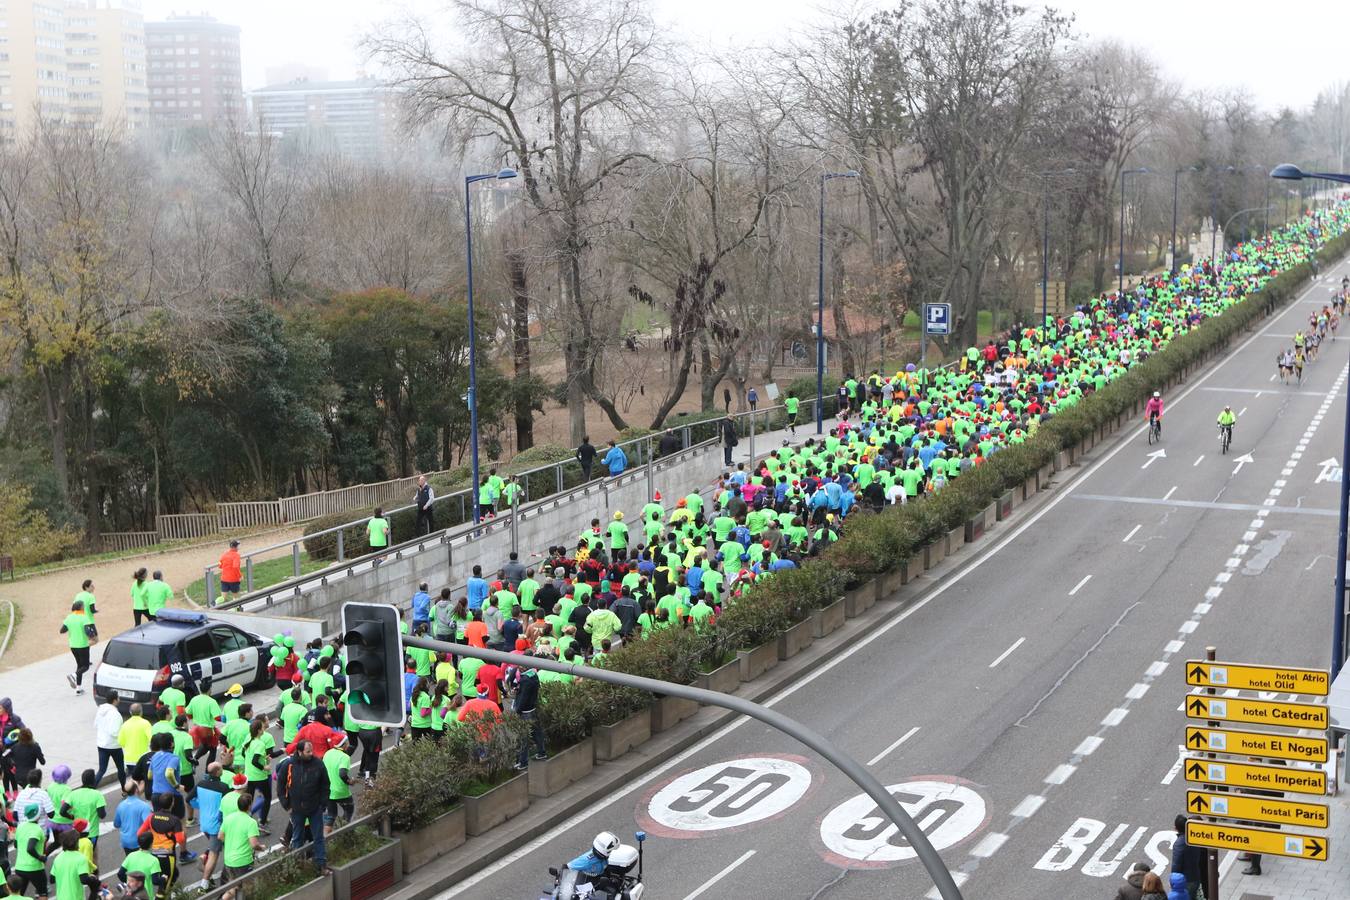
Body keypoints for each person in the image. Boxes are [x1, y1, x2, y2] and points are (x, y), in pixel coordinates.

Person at [283, 740, 330, 876]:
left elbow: (325, 785)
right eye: (308, 751)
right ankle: (297, 867)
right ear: (300, 752)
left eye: (311, 751)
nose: (311, 754)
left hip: (315, 808)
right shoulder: (289, 764)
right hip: (296, 809)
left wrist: (323, 804)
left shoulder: (318, 764)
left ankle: (321, 866)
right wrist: (287, 805)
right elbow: (281, 785)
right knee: (297, 838)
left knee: (318, 837)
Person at [512, 660, 547, 771]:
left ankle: (523, 762)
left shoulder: (525, 680)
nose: (519, 668)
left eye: (520, 666)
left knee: (524, 737)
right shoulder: (533, 676)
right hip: (533, 709)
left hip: (525, 712)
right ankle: (542, 752)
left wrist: (518, 709)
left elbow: (523, 698)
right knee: (537, 733)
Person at [60, 599, 93, 694]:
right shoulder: (84, 617)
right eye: (83, 606)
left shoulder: (69, 617)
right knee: (85, 666)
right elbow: (88, 632)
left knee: (80, 666)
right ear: (81, 607)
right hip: (82, 645)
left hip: (73, 646)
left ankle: (78, 689)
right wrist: (92, 634)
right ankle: (73, 675)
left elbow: (62, 630)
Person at [95, 691, 127, 787]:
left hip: (101, 744)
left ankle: (91, 788)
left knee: (102, 770)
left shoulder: (100, 710)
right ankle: (124, 789)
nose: (119, 699)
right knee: (121, 768)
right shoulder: (115, 714)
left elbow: (95, 724)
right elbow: (115, 732)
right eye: (118, 698)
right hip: (114, 746)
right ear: (115, 700)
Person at [114, 781, 153, 859]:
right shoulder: (144, 806)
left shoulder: (120, 805)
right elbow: (149, 824)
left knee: (133, 864)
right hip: (140, 842)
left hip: (125, 842)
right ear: (136, 790)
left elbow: (116, 824)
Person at [1170, 814, 1204, 900]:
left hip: (1186, 881)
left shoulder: (1180, 844)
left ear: (1175, 828)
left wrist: (1173, 881)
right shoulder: (1194, 837)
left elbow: (1176, 865)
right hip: (1195, 876)